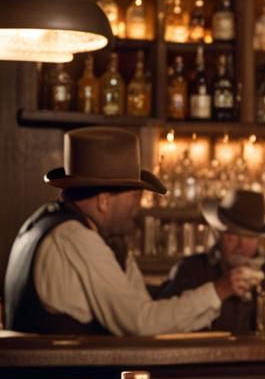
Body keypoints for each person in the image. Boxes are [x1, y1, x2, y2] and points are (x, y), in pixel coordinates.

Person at [3, 126, 248, 335]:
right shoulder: (74, 237)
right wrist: (218, 290)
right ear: (105, 201)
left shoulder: (46, 222)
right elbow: (140, 322)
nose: (138, 208)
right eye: (134, 196)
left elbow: (141, 307)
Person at [160, 188, 265, 334]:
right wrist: (220, 290)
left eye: (249, 237)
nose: (241, 246)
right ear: (220, 233)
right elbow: (164, 319)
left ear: (259, 239)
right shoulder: (191, 269)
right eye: (233, 235)